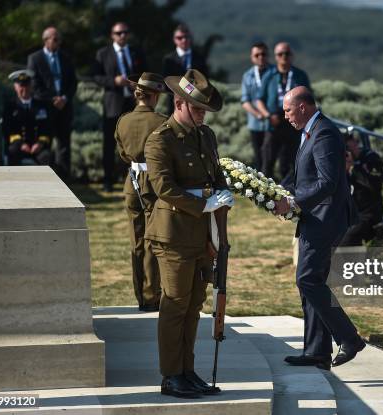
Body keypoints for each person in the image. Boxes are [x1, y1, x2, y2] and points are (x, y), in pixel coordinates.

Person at [144, 69, 234, 398]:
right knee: (175, 304)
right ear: (178, 103)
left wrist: (223, 198)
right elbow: (163, 187)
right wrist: (203, 204)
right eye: (196, 109)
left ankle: (187, 369)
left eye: (204, 111)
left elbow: (216, 173)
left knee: (194, 304)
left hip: (201, 235)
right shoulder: (161, 138)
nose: (201, 116)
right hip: (174, 234)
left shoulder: (205, 135)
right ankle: (171, 375)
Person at [274, 86, 364, 370]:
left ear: (302, 107)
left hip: (326, 217)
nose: (285, 116)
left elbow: (327, 182)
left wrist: (294, 202)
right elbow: (304, 176)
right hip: (315, 216)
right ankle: (317, 350)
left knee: (308, 279)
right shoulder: (310, 132)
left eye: (288, 110)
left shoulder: (324, 132)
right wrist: (277, 192)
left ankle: (349, 338)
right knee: (310, 283)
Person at [114, 73, 168, 312]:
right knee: (152, 240)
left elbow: (123, 154)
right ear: (154, 95)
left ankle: (141, 295)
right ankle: (151, 294)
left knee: (136, 241)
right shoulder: (161, 121)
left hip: (131, 182)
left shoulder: (123, 120)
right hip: (153, 183)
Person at [93, 22, 147, 192]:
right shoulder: (103, 54)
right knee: (110, 143)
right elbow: (96, 76)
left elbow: (145, 73)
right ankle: (108, 180)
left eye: (125, 32)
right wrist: (113, 81)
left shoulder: (136, 52)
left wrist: (137, 84)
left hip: (132, 103)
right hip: (113, 104)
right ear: (112, 35)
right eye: (119, 33)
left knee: (134, 143)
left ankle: (134, 180)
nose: (122, 35)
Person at [27, 26, 77, 181]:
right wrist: (53, 99)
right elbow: (34, 85)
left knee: (64, 145)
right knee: (45, 144)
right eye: (55, 39)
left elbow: (73, 82)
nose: (58, 42)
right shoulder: (35, 58)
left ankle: (65, 180)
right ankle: (47, 180)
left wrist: (65, 98)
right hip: (45, 109)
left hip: (64, 107)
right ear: (46, 40)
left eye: (59, 39)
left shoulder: (66, 58)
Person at [257, 42, 311, 180]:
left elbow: (308, 98)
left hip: (293, 124)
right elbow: (259, 100)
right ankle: (263, 196)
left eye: (287, 53)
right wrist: (268, 115)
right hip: (274, 122)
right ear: (275, 57)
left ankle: (289, 196)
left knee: (289, 163)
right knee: (267, 161)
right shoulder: (269, 75)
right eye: (280, 54)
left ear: (292, 55)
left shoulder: (300, 75)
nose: (284, 57)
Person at [339, 135, 383, 246]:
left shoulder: (371, 158)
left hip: (369, 213)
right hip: (349, 213)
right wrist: (344, 170)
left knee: (346, 238)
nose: (347, 152)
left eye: (348, 147)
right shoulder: (342, 162)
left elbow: (375, 186)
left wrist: (353, 168)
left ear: (355, 143)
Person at [1, 69, 52, 166]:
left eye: (27, 85)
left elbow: (47, 127)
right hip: (17, 146)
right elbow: (7, 129)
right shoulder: (10, 107)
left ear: (31, 86)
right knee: (12, 153)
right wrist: (21, 144)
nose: (25, 89)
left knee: (46, 157)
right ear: (15, 87)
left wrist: (40, 143)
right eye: (21, 86)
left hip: (37, 146)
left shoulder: (41, 106)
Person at [240, 41, 275, 169]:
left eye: (263, 54)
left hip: (273, 124)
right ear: (252, 57)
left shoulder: (275, 73)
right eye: (257, 55)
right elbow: (245, 100)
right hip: (255, 123)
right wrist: (258, 114)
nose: (261, 57)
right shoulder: (247, 76)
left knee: (270, 158)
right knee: (258, 158)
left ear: (268, 55)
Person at [162, 23, 208, 115]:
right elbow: (166, 82)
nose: (184, 40)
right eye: (180, 38)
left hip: (195, 103)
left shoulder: (199, 57)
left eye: (186, 37)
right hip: (175, 105)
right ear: (174, 39)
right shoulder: (169, 59)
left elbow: (205, 80)